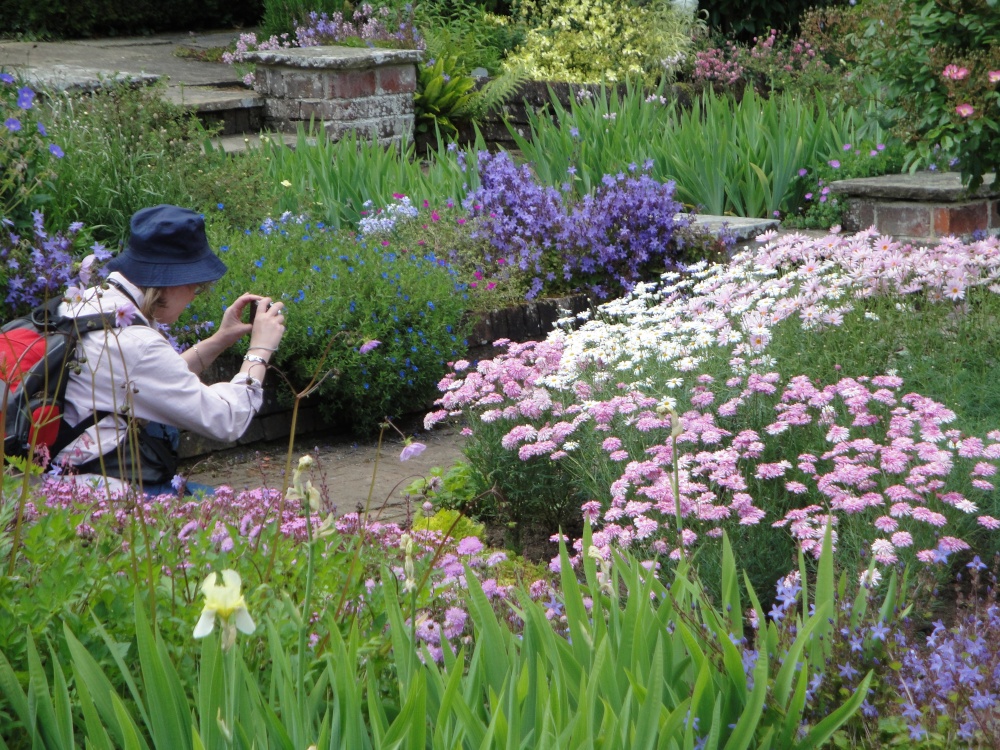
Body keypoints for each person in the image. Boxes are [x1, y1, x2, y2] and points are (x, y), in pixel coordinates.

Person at [53, 204, 286, 496]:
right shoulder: (136, 343)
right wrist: (260, 350)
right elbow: (227, 420)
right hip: (94, 495)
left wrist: (221, 338)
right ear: (173, 281)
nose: (194, 297)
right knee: (263, 514)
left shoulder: (81, 304)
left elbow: (144, 380)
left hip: (41, 482)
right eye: (196, 286)